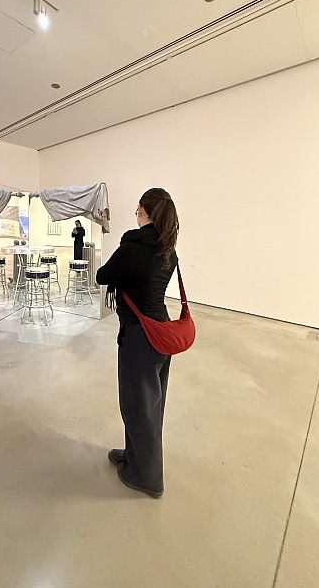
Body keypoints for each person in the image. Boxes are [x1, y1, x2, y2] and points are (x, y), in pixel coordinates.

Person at [96, 188, 179, 498]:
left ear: (144, 211)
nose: (136, 214)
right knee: (148, 404)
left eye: (137, 210)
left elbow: (103, 276)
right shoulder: (168, 249)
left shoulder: (132, 248)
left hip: (139, 337)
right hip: (161, 331)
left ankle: (147, 478)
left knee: (138, 406)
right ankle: (134, 455)